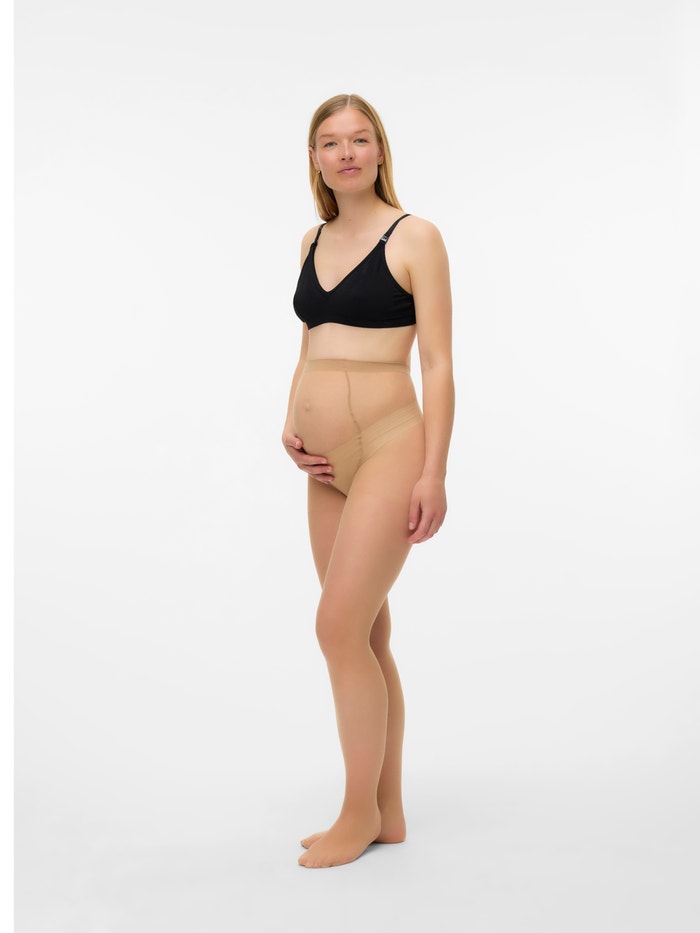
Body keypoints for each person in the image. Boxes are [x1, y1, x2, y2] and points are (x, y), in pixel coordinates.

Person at [281, 93, 454, 869]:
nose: (345, 153)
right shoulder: (313, 239)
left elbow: (438, 363)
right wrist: (291, 422)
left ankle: (355, 813)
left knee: (337, 628)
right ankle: (387, 812)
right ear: (315, 158)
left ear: (380, 149)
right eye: (330, 142)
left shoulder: (414, 235)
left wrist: (433, 471)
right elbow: (310, 341)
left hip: (390, 447)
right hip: (324, 465)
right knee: (366, 633)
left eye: (359, 139)